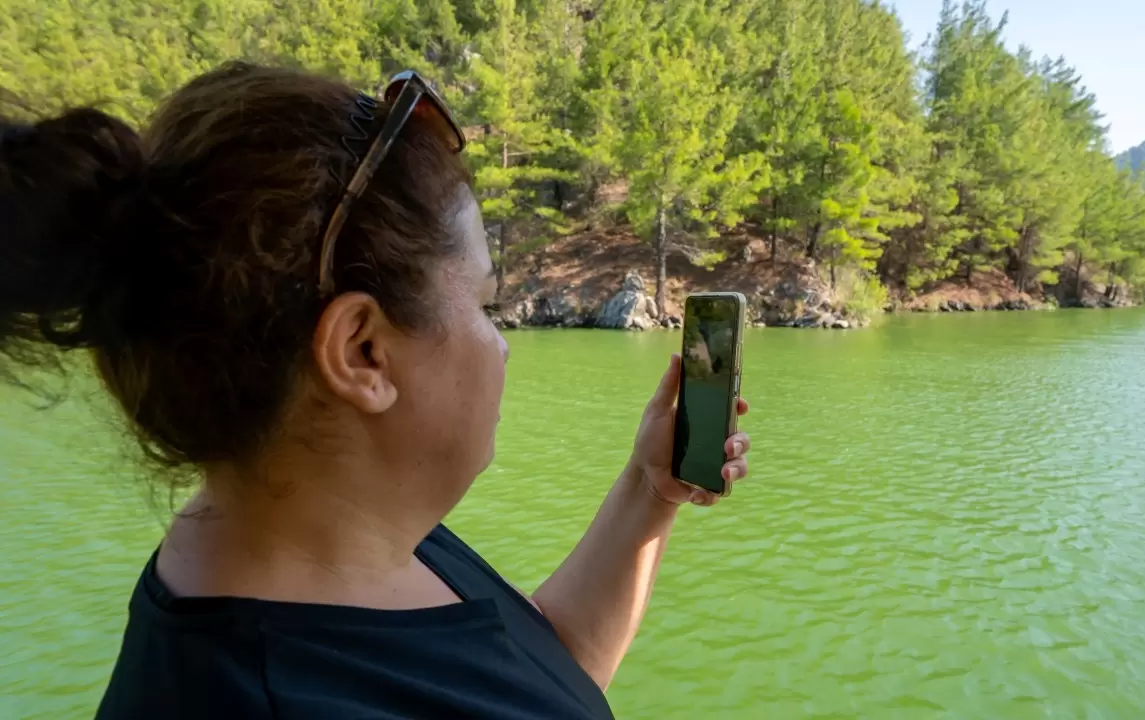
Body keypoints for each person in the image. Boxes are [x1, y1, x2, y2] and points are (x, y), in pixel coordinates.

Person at [0, 62, 751, 719]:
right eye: (485, 305)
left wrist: (648, 492)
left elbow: (541, 671)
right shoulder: (284, 686)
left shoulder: (332, 541)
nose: (504, 348)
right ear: (362, 352)